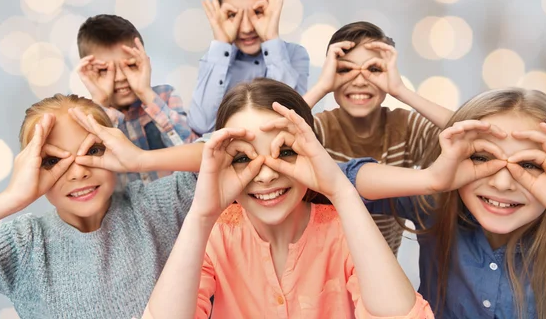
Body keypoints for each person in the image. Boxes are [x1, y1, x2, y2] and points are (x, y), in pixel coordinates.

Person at [143, 78, 434, 318]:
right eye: (243, 157)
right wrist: (201, 215)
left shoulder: (343, 231)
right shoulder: (216, 236)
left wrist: (341, 191)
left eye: (285, 152)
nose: (266, 175)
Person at [340, 88, 546, 318]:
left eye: (529, 165)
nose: (502, 183)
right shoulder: (437, 202)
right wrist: (429, 180)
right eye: (481, 157)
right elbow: (331, 181)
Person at [0, 94, 201, 319]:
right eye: (52, 161)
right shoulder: (25, 246)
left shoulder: (154, 208)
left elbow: (228, 155)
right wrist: (11, 197)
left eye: (92, 151)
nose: (79, 172)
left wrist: (141, 159)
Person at [303, 21, 453, 255]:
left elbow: (474, 132)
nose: (360, 80)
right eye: (345, 70)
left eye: (373, 69)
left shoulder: (405, 128)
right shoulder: (318, 128)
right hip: (322, 269)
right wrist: (321, 86)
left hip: (383, 270)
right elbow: (269, 135)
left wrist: (400, 90)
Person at [188, 0, 310, 135]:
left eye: (258, 11)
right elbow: (201, 125)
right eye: (232, 15)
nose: (246, 28)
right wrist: (221, 42)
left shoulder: (295, 54)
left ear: (273, 9)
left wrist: (271, 38)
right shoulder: (216, 59)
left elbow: (286, 121)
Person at [77, 14, 196, 185]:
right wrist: (100, 103)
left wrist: (146, 93)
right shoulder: (84, 118)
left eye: (130, 65)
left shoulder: (164, 96)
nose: (119, 77)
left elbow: (194, 153)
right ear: (88, 73)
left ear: (145, 62)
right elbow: (89, 174)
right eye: (104, 70)